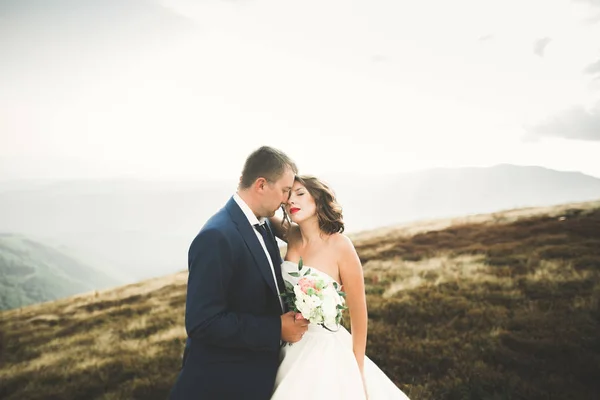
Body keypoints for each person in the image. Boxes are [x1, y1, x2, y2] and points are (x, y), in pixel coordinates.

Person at [169, 146, 310, 400]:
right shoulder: (216, 236)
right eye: (285, 191)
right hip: (219, 384)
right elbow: (202, 323)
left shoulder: (263, 221)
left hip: (255, 377)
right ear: (261, 185)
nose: (287, 200)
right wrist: (275, 328)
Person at [269, 175, 411, 400]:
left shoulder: (340, 245)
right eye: (288, 197)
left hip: (325, 347)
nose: (291, 201)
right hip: (291, 342)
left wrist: (357, 367)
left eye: (300, 193)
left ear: (317, 198)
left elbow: (358, 313)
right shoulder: (291, 235)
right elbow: (262, 211)